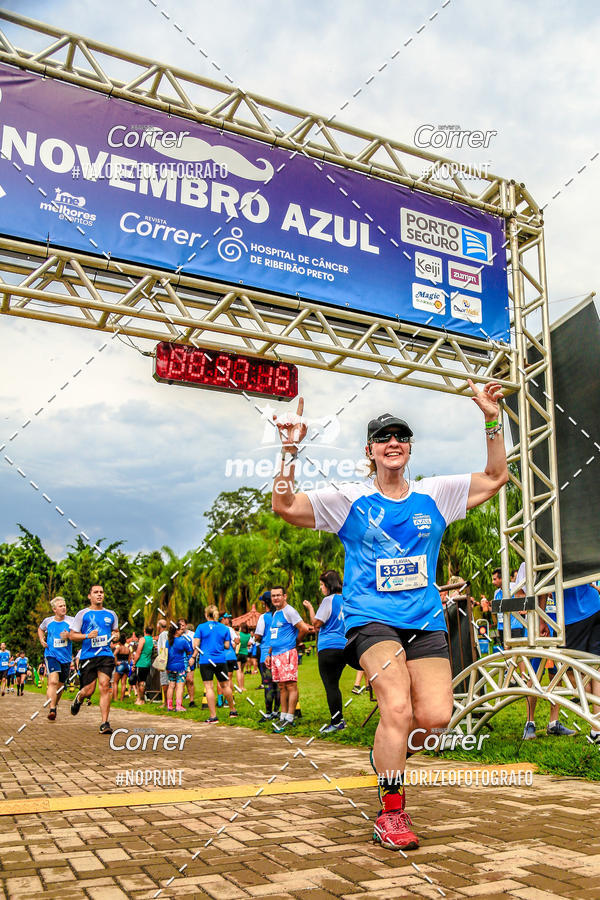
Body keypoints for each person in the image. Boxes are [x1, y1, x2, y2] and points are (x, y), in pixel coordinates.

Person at [272, 385, 508, 851]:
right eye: (384, 437)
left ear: (409, 447)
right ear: (370, 451)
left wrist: (492, 418)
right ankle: (391, 812)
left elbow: (496, 476)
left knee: (437, 719)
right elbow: (285, 506)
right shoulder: (350, 499)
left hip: (424, 620)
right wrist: (288, 453)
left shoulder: (435, 494)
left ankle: (388, 749)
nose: (393, 442)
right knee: (396, 706)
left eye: (401, 436)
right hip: (370, 620)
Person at [68, 585, 119, 734]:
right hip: (88, 656)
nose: (99, 595)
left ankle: (105, 723)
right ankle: (79, 697)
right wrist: (86, 636)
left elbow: (116, 632)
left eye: (101, 592)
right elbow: (72, 635)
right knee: (89, 691)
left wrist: (116, 636)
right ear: (89, 596)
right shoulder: (82, 614)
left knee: (104, 686)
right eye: (96, 592)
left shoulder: (111, 614)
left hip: (105, 655)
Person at [303, 569, 347, 733]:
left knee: (331, 687)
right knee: (335, 686)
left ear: (329, 585)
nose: (321, 588)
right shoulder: (346, 600)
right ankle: (339, 719)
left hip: (328, 647)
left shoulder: (328, 600)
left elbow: (316, 624)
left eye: (322, 585)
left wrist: (310, 609)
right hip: (343, 646)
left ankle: (337, 722)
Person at [264, 585, 309, 733]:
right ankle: (283, 716)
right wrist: (269, 654)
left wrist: (294, 643)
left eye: (278, 595)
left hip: (287, 653)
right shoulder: (275, 613)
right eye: (273, 596)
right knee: (281, 687)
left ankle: (290, 718)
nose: (275, 598)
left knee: (290, 685)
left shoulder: (289, 611)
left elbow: (304, 628)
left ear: (285, 596)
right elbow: (274, 635)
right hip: (276, 654)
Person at [192, 605, 237, 723]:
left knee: (209, 687)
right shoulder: (224, 628)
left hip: (206, 660)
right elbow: (227, 646)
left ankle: (213, 716)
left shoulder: (201, 627)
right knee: (225, 685)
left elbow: (195, 645)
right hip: (221, 660)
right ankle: (233, 710)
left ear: (206, 615)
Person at [38, 596, 75, 720]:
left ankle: (55, 703)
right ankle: (52, 709)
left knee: (60, 685)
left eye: (64, 605)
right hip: (51, 655)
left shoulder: (72, 621)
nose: (64, 608)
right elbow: (40, 629)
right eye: (60, 606)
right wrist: (41, 639)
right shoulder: (48, 621)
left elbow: (78, 634)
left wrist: (69, 635)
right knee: (53, 681)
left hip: (66, 657)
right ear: (54, 609)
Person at [166, 622, 192, 711]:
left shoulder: (168, 641)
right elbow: (189, 651)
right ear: (176, 631)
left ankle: (169, 706)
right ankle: (178, 706)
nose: (182, 631)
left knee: (171, 686)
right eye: (180, 629)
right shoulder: (182, 641)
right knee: (180, 686)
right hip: (180, 666)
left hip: (170, 667)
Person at [132, 625, 154, 705]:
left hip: (141, 663)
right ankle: (140, 699)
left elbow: (138, 652)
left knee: (140, 682)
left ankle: (141, 700)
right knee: (143, 681)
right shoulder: (152, 639)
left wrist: (134, 663)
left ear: (144, 631)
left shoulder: (142, 639)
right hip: (148, 663)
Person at [112, 634, 131, 701]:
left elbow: (114, 655)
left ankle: (116, 698)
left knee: (115, 682)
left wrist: (116, 662)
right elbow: (129, 659)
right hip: (126, 665)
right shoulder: (128, 649)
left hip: (120, 664)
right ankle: (122, 699)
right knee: (124, 683)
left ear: (119, 642)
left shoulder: (119, 648)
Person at [155, 618, 169, 707]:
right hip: (167, 658)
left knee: (164, 682)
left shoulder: (162, 634)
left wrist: (161, 663)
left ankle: (166, 702)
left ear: (158, 626)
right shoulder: (167, 633)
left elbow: (164, 648)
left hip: (164, 659)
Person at [236, 624, 251, 689]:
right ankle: (242, 687)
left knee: (238, 670)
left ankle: (239, 687)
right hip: (245, 653)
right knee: (242, 671)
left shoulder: (239, 634)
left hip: (239, 653)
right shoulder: (248, 635)